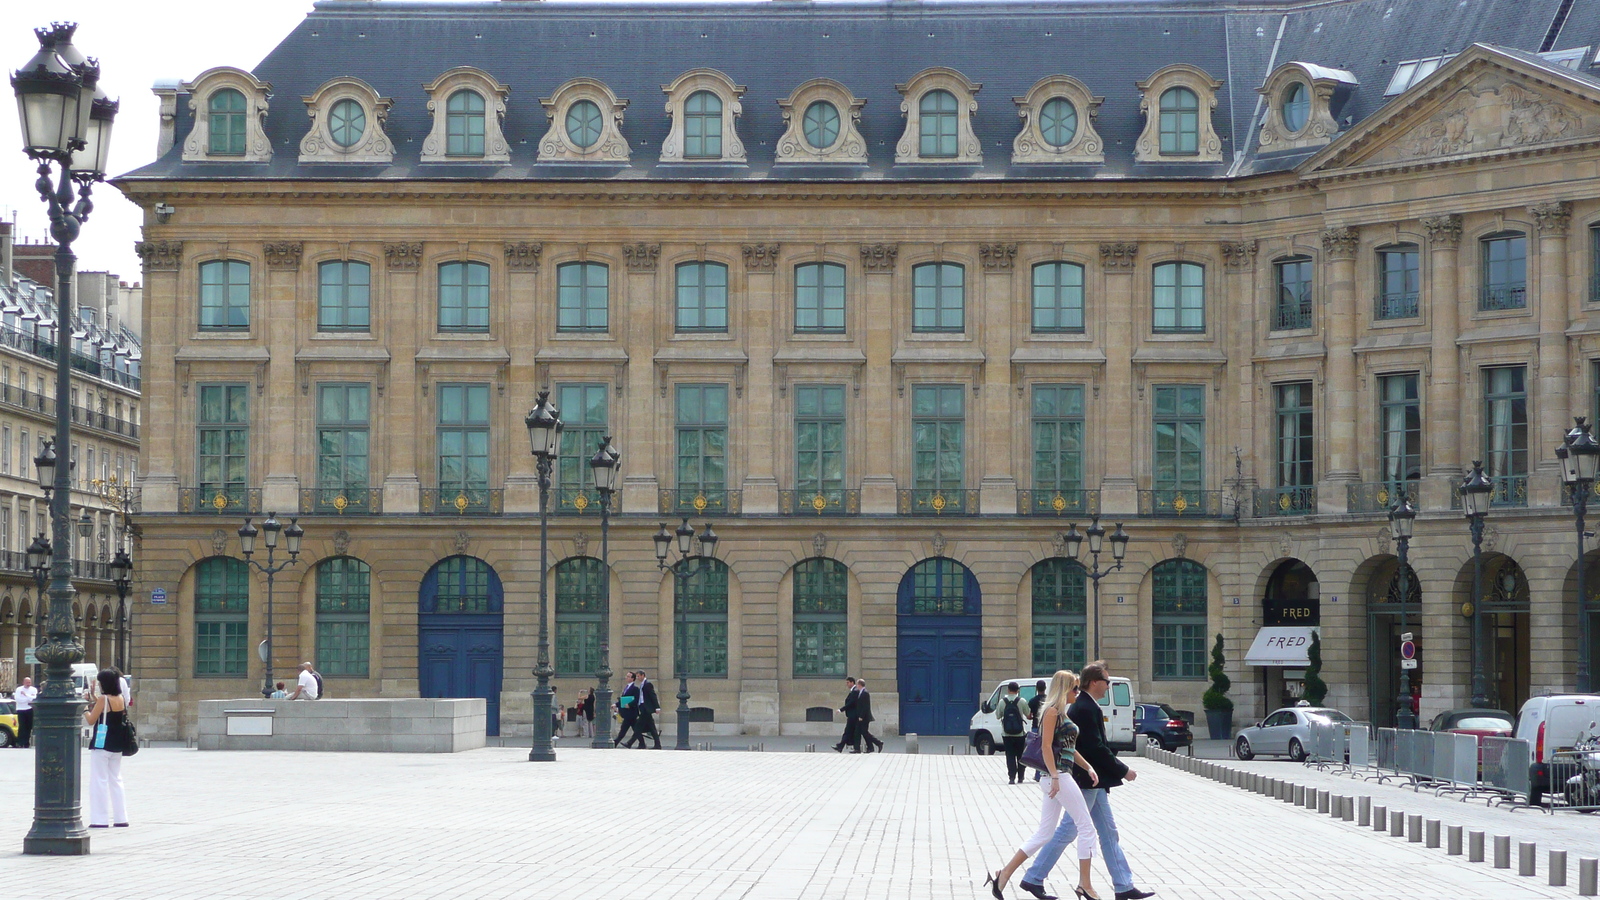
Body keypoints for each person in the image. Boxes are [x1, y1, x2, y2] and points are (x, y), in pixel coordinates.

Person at [988, 670, 1100, 900]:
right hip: (1057, 776)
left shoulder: (1062, 713)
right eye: (1075, 688)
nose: (1077, 693)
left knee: (1045, 833)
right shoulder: (1051, 712)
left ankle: (1003, 875)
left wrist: (1088, 766)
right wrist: (1056, 777)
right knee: (1086, 827)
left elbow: (1069, 747)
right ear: (1064, 689)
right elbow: (1046, 746)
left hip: (1057, 776)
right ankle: (1085, 885)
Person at [1068, 662, 1155, 900]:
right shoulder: (1084, 708)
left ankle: (1124, 886)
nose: (1109, 686)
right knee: (1065, 832)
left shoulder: (1088, 706)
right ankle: (1034, 876)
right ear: (1094, 682)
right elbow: (1094, 747)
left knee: (1109, 833)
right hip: (1088, 781)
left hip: (1095, 782)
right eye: (1107, 681)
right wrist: (1122, 770)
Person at [83, 668, 130, 828]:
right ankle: (121, 817)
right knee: (116, 779)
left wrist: (84, 708)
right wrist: (95, 699)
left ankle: (100, 819)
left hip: (102, 743)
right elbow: (107, 709)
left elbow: (91, 719)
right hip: (117, 743)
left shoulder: (104, 699)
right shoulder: (120, 698)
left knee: (99, 780)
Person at [999, 681, 1031, 784]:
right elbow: (1028, 715)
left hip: (1006, 734)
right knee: (1020, 756)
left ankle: (1011, 777)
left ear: (1008, 690)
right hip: (1020, 734)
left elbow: (998, 715)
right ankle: (1021, 777)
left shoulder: (1002, 702)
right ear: (1018, 690)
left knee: (1010, 756)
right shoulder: (1021, 701)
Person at [632, 670, 662, 749]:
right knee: (652, 728)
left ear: (643, 675)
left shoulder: (648, 684)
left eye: (638, 676)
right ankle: (657, 744)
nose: (637, 678)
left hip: (646, 709)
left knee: (637, 726)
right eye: (637, 676)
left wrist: (657, 707)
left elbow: (653, 696)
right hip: (643, 708)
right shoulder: (642, 684)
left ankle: (632, 743)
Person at [855, 679, 883, 753]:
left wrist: (861, 716)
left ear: (860, 685)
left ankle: (878, 743)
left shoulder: (865, 693)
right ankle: (870, 747)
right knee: (864, 732)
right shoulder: (861, 692)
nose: (856, 686)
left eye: (857, 684)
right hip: (862, 716)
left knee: (864, 732)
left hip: (865, 717)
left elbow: (865, 706)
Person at [833, 677, 859, 753]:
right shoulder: (853, 691)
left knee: (849, 731)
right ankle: (841, 746)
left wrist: (841, 710)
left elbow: (851, 703)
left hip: (853, 715)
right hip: (852, 715)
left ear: (852, 682)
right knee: (849, 732)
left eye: (848, 682)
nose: (846, 684)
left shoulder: (855, 691)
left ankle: (841, 746)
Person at [614, 671, 640, 748]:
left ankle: (616, 742)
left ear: (633, 679)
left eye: (628, 676)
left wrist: (629, 704)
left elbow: (636, 700)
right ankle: (641, 743)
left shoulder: (635, 688)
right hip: (627, 713)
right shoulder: (626, 687)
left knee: (624, 729)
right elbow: (623, 700)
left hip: (631, 712)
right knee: (636, 730)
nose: (626, 677)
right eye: (626, 676)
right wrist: (616, 704)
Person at [13, 676, 36, 748]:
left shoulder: (33, 689)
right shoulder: (19, 689)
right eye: (27, 682)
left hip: (29, 709)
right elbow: (18, 699)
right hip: (20, 709)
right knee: (22, 726)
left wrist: (25, 695)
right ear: (23, 682)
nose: (28, 684)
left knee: (29, 726)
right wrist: (28, 698)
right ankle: (20, 742)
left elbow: (33, 699)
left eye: (29, 682)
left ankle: (26, 743)